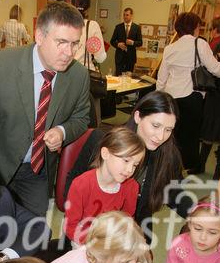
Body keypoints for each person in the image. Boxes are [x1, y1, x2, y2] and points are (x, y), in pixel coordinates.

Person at [0, 1, 90, 217]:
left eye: (75, 43)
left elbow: (81, 117)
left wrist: (62, 131)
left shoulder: (78, 75)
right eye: (61, 42)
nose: (69, 52)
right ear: (39, 36)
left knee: (33, 232)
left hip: (38, 171)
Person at [65, 91, 192, 245]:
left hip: (132, 229)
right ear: (137, 117)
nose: (160, 137)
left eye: (168, 129)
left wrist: (200, 214)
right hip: (89, 231)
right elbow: (72, 185)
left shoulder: (167, 154)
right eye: (156, 125)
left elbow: (175, 192)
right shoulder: (103, 140)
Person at [156, 12, 220, 173]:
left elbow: (161, 79)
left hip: (171, 99)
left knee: (171, 136)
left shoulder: (170, 48)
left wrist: (159, 99)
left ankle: (167, 169)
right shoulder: (199, 44)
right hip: (191, 98)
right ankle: (179, 171)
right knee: (188, 140)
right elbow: (214, 68)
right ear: (194, 28)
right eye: (198, 27)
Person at [65, 126, 145, 245]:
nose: (130, 170)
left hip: (114, 242)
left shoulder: (131, 186)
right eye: (126, 161)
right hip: (84, 242)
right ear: (105, 153)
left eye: (135, 165)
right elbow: (71, 226)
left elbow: (127, 221)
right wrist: (98, 245)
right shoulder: (81, 184)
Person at [71, 0, 107, 124]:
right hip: (86, 79)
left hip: (66, 77)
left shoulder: (64, 23)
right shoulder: (91, 26)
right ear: (88, 6)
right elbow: (100, 57)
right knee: (91, 120)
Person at [199, 37, 220, 178]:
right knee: (207, 133)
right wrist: (219, 56)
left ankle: (219, 172)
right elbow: (209, 68)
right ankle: (200, 165)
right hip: (214, 95)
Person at [110, 7, 142, 75]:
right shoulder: (118, 27)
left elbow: (140, 42)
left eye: (127, 15)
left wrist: (132, 42)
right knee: (118, 78)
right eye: (124, 15)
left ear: (131, 15)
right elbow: (112, 41)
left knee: (128, 80)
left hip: (130, 58)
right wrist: (118, 44)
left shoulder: (136, 28)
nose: (125, 17)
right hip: (119, 58)